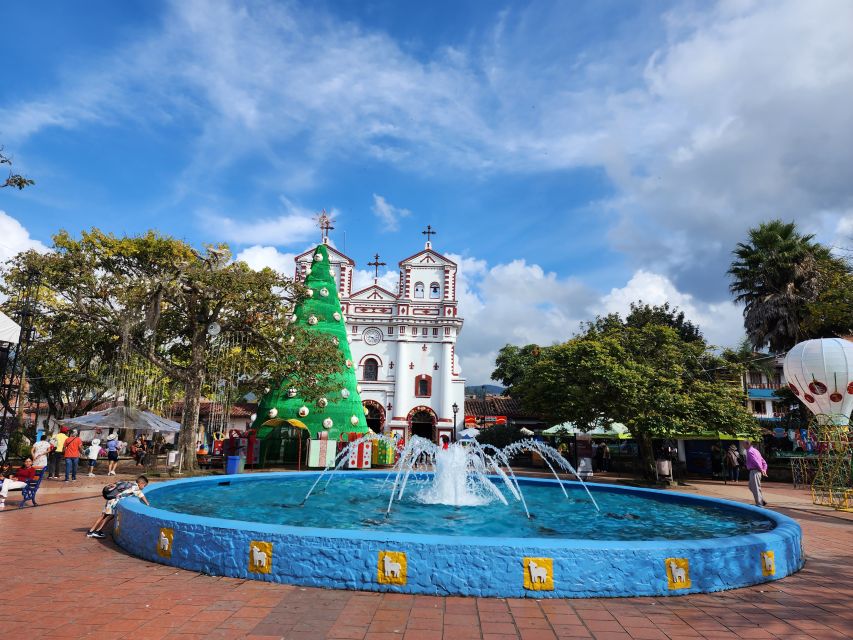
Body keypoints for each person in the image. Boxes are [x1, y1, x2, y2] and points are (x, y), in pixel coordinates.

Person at [744, 440, 768, 507]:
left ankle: (759, 504)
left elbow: (755, 461)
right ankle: (761, 500)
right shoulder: (756, 451)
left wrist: (761, 469)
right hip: (756, 471)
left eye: (743, 444)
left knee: (755, 487)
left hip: (754, 471)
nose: (743, 446)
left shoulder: (749, 451)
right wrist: (764, 469)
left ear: (747, 444)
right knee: (752, 486)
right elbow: (763, 461)